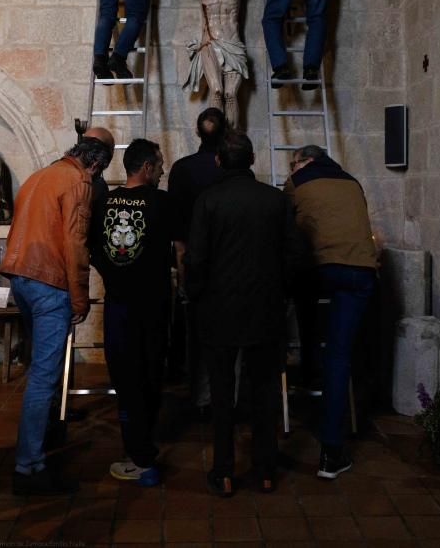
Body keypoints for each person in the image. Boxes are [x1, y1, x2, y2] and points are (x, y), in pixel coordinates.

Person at [185, 130, 302, 496]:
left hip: (219, 311)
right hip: (265, 310)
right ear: (252, 161)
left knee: (222, 396)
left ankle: (223, 472)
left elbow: (197, 259)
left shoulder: (208, 201)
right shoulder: (275, 200)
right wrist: (283, 296)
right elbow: (293, 258)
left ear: (218, 160)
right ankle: (265, 470)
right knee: (265, 394)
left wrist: (196, 296)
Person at [0, 135, 113, 495]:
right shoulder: (78, 181)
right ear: (95, 165)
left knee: (40, 371)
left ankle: (42, 443)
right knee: (43, 378)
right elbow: (75, 243)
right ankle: (29, 468)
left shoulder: (41, 175)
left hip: (21, 277)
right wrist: (80, 298)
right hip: (49, 283)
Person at [90, 138, 182, 487]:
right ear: (146, 168)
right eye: (159, 165)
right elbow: (180, 249)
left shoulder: (105, 202)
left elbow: (93, 249)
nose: (161, 170)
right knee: (151, 373)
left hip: (119, 304)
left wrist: (115, 275)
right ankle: (145, 451)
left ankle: (139, 455)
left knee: (125, 379)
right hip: (155, 303)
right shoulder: (163, 202)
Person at [284, 145, 377, 479]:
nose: (291, 169)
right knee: (340, 355)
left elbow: (288, 233)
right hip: (361, 272)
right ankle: (332, 453)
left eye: (293, 163)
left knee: (303, 303)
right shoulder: (351, 182)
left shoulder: (297, 183)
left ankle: (309, 368)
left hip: (322, 269)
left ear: (305, 161)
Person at [154, 0, 272, 127]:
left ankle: (232, 138)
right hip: (210, 43)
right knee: (216, 90)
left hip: (233, 43)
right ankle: (214, 139)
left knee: (230, 94)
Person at [167, 107, 226, 411]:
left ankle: (201, 397)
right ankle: (226, 398)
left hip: (195, 262)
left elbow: (178, 230)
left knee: (197, 333)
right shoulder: (232, 170)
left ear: (197, 132)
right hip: (229, 265)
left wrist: (181, 269)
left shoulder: (182, 169)